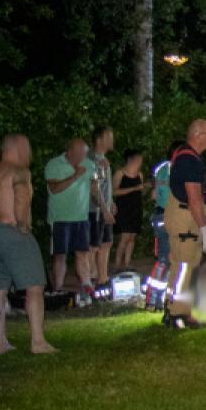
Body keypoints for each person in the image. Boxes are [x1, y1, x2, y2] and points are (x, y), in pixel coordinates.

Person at [0, 133, 55, 354]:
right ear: (19, 147)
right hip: (12, 232)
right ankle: (38, 342)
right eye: (27, 147)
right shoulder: (19, 171)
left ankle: (1, 344)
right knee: (35, 287)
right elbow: (21, 198)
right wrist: (22, 224)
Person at [161, 119, 206, 327]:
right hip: (186, 217)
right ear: (198, 135)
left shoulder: (188, 157)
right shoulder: (189, 160)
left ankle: (178, 309)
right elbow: (194, 198)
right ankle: (176, 313)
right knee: (184, 266)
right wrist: (204, 227)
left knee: (186, 264)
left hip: (185, 215)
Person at [45, 137, 97, 304]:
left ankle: (87, 286)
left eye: (85, 153)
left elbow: (94, 187)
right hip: (60, 218)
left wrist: (105, 206)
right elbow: (54, 188)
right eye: (80, 153)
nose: (83, 157)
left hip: (81, 217)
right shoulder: (54, 164)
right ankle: (58, 288)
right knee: (60, 254)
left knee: (83, 252)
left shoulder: (89, 164)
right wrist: (75, 176)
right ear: (70, 151)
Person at [86, 125, 116, 292]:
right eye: (109, 137)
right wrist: (104, 210)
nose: (112, 140)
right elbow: (94, 188)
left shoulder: (103, 159)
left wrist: (111, 203)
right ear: (99, 139)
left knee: (106, 242)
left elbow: (104, 186)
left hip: (104, 208)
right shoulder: (91, 159)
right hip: (93, 210)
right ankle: (90, 282)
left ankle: (103, 280)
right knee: (93, 246)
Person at [111, 149, 146, 271]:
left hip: (136, 207)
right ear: (130, 160)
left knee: (132, 238)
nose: (140, 162)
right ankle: (117, 264)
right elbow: (114, 191)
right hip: (123, 208)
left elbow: (140, 191)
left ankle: (127, 263)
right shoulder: (120, 173)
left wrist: (143, 188)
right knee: (124, 237)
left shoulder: (140, 174)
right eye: (138, 159)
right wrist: (133, 188)